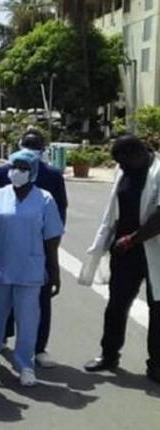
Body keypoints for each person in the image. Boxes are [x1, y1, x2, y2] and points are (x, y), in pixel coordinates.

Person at [0, 149, 64, 387]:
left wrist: (54, 271)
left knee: (28, 319)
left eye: (24, 168)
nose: (17, 172)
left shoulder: (44, 199)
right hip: (1, 265)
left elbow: (51, 239)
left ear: (33, 172)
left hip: (31, 268)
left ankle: (25, 364)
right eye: (14, 167)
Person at [81, 135, 160, 384]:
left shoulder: (158, 172)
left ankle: (156, 365)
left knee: (157, 308)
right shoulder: (123, 169)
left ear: (137, 153)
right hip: (125, 252)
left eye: (123, 161)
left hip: (152, 250)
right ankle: (109, 355)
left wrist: (132, 239)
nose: (120, 167)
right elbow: (115, 209)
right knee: (116, 304)